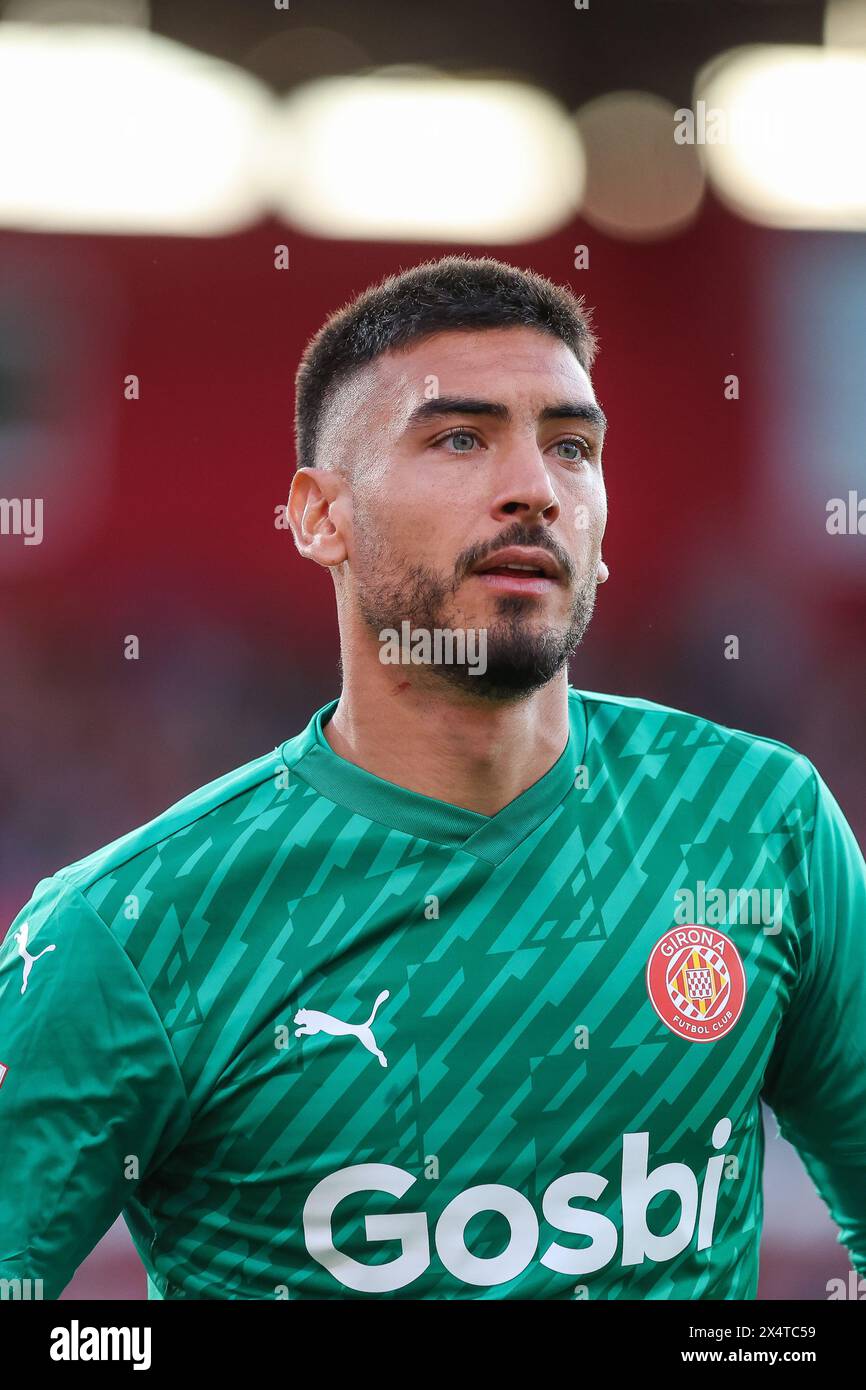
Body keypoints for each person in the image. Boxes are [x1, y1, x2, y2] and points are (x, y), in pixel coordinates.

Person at [1, 255, 864, 1300]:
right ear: (320, 516)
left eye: (570, 447)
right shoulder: (128, 929)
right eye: (459, 438)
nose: (532, 489)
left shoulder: (756, 824)